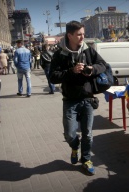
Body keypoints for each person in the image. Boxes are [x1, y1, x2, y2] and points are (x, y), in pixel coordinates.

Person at [49, 20, 106, 175]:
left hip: (88, 98)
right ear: (70, 35)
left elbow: (103, 65)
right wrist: (71, 71)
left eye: (83, 34)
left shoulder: (89, 50)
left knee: (88, 133)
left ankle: (86, 159)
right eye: (79, 34)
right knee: (69, 134)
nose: (82, 37)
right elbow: (53, 77)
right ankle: (75, 146)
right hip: (70, 100)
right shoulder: (59, 54)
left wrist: (91, 69)